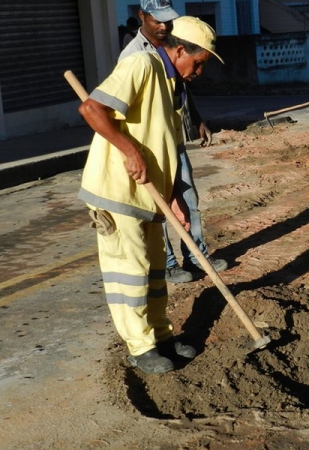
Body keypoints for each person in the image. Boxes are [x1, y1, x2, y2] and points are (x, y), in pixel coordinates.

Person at [78, 16, 224, 374]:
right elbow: (91, 109)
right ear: (178, 50)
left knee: (155, 271)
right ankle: (140, 348)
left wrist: (176, 196)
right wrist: (129, 151)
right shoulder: (142, 64)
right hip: (117, 190)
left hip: (149, 197)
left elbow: (167, 145)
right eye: (199, 63)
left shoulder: (173, 85)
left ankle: (160, 337)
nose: (199, 72)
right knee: (130, 272)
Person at [121, 0, 228, 284]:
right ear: (141, 16)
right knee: (159, 206)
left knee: (187, 199)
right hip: (149, 145)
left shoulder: (170, 47)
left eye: (168, 20)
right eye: (157, 20)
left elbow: (182, 87)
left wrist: (196, 119)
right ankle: (167, 263)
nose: (163, 26)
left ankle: (196, 255)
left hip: (173, 137)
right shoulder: (134, 57)